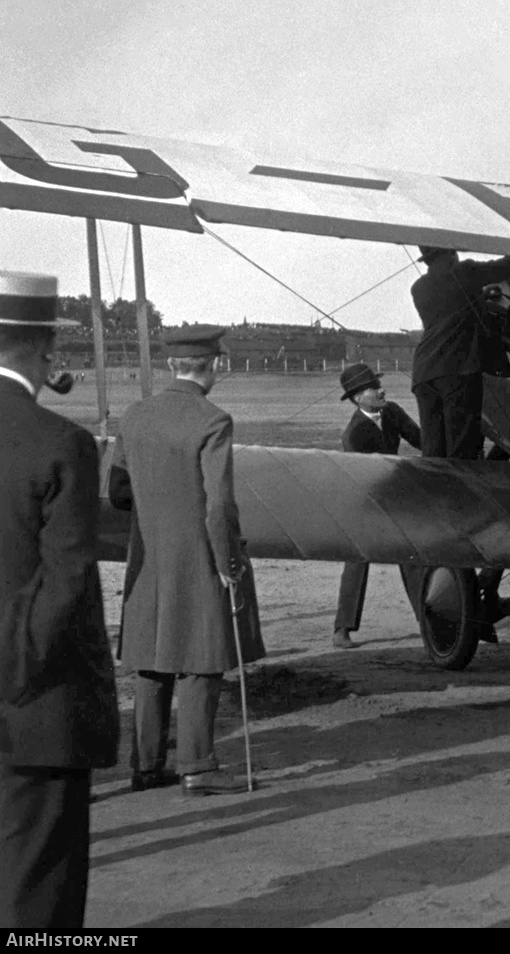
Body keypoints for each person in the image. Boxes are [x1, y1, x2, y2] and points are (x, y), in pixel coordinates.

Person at [0, 271, 118, 928]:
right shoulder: (61, 443)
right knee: (39, 886)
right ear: (44, 351)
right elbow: (66, 583)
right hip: (36, 706)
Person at [110, 325, 265, 796]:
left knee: (153, 663)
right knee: (202, 662)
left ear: (171, 366)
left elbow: (117, 492)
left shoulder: (133, 415)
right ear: (214, 365)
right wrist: (227, 563)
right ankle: (199, 768)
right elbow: (219, 507)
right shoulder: (213, 420)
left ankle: (147, 766)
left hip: (147, 557)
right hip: (197, 557)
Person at [332, 362, 421, 649]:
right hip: (366, 503)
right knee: (358, 560)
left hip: (394, 499)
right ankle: (342, 629)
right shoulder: (353, 434)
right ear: (358, 398)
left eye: (379, 385)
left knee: (412, 557)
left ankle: (428, 619)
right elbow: (364, 478)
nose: (382, 391)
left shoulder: (392, 411)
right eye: (374, 388)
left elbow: (421, 439)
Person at [410, 246, 510, 459]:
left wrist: (481, 295)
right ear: (452, 254)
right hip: (457, 370)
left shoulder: (418, 287)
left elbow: (451, 303)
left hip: (423, 371)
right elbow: (505, 266)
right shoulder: (465, 272)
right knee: (462, 447)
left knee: (434, 450)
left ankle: (434, 490)